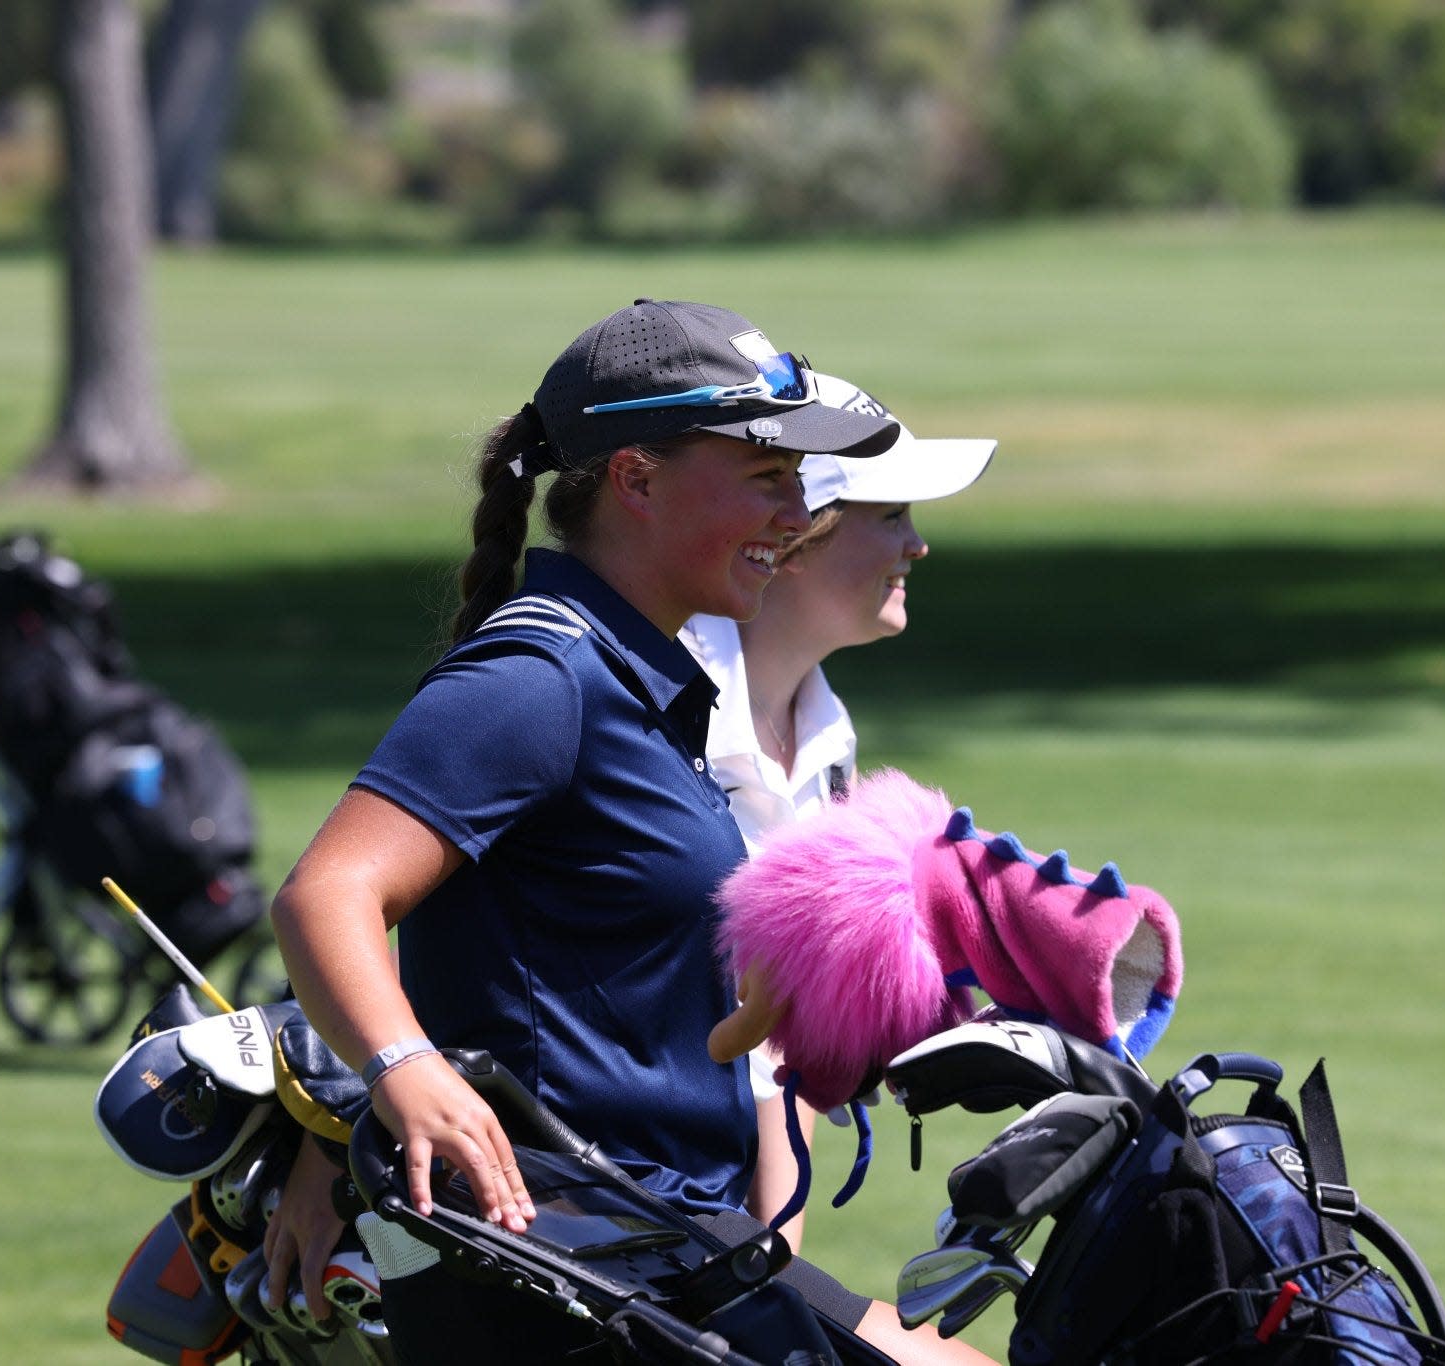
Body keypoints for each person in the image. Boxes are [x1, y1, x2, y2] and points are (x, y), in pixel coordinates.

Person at [264, 300, 989, 1364]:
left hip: (658, 1245)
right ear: (635, 479)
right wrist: (404, 1070)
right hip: (555, 1262)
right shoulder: (540, 676)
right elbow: (327, 893)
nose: (796, 514)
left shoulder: (643, 680)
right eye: (765, 477)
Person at [680, 372, 994, 1245]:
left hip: (709, 1215)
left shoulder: (830, 748)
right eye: (891, 515)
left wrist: (775, 1249)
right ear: (798, 536)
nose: (918, 545)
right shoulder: (636, 704)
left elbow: (780, 1048)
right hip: (567, 1206)